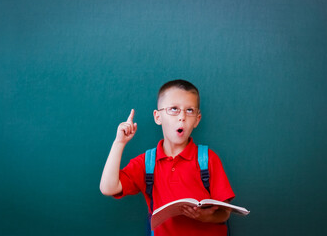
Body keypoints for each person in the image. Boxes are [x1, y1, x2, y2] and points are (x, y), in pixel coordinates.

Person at [100, 79, 235, 236]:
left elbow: (225, 213)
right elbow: (108, 188)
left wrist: (205, 217)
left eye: (189, 110)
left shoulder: (208, 159)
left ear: (197, 120)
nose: (182, 117)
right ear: (158, 117)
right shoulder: (146, 163)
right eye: (174, 109)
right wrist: (119, 143)